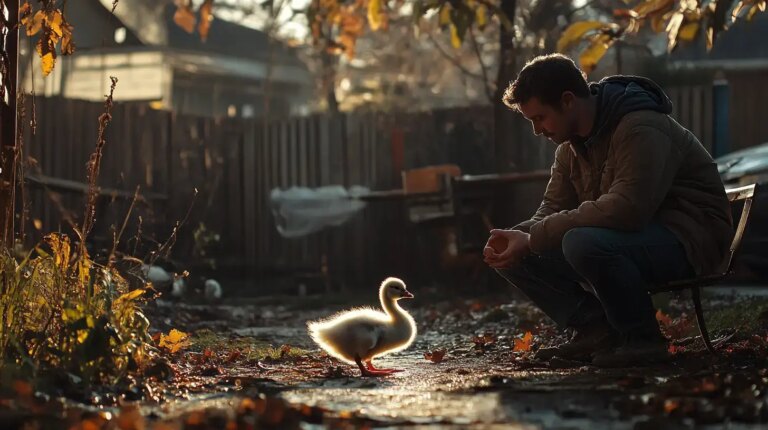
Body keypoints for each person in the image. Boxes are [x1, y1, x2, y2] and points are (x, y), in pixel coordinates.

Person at [483, 53, 732, 367]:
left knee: (579, 242)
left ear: (568, 100)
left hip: (691, 239)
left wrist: (534, 237)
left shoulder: (641, 127)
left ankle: (641, 340)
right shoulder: (569, 147)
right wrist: (521, 236)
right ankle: (595, 329)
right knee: (514, 246)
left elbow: (629, 209)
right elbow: (551, 209)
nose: (537, 130)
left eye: (540, 118)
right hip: (638, 237)